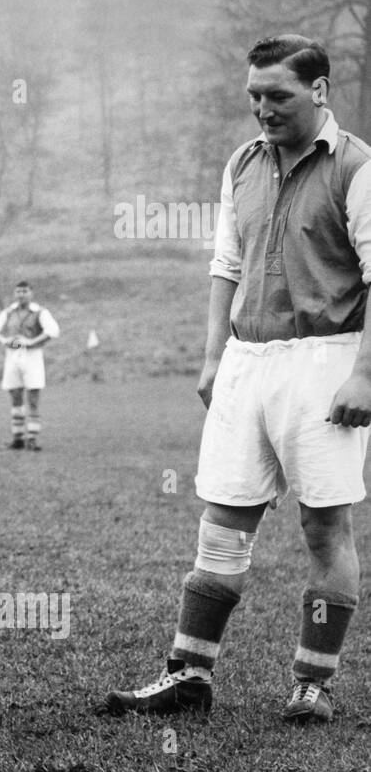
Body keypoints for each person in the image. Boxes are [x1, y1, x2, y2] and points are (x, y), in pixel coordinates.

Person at [107, 35, 371, 724]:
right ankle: (189, 674)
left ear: (318, 91)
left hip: (324, 360)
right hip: (247, 361)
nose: (262, 109)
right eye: (254, 95)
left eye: (277, 95)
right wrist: (213, 355)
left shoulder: (356, 166)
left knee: (324, 527)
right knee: (222, 521)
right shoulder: (243, 162)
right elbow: (226, 262)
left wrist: (365, 373)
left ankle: (313, 683)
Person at [0, 280, 59, 450]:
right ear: (15, 293)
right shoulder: (9, 312)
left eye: (25, 291)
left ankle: (32, 438)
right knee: (15, 395)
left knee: (33, 396)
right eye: (18, 291)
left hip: (32, 356)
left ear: (31, 293)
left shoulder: (39, 312)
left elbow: (53, 330)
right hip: (13, 356)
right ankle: (18, 438)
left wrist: (32, 341)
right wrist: (5, 341)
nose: (21, 294)